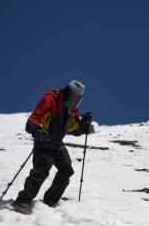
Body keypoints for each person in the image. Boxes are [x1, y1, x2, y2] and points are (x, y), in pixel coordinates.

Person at [11, 80, 93, 214]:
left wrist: (84, 124)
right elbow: (33, 120)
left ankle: (50, 200)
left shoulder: (72, 109)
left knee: (66, 170)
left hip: (57, 143)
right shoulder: (51, 99)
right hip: (44, 140)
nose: (76, 101)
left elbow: (73, 129)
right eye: (75, 98)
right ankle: (22, 202)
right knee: (41, 171)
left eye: (79, 99)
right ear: (69, 93)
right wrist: (38, 131)